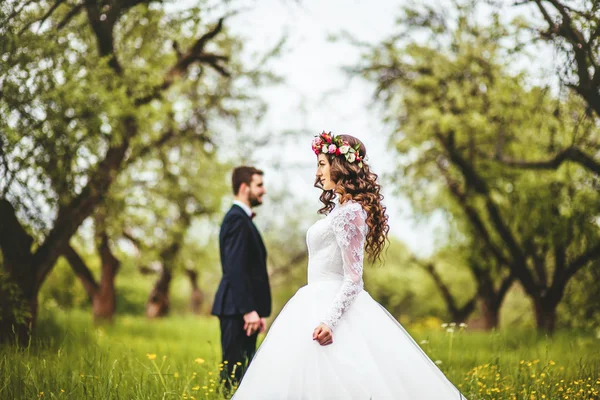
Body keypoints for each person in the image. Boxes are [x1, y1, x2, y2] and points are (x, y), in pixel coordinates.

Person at [231, 133, 466, 399]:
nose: (318, 172)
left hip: (332, 306)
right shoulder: (338, 210)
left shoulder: (352, 212)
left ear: (339, 166)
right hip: (311, 298)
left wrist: (330, 321)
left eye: (322, 163)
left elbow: (354, 278)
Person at [211, 166, 271, 390]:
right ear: (244, 188)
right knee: (232, 376)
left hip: (243, 311)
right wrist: (248, 310)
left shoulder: (244, 220)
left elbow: (249, 269)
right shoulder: (237, 220)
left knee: (244, 375)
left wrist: (256, 311)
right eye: (259, 185)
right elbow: (235, 269)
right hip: (237, 310)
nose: (263, 191)